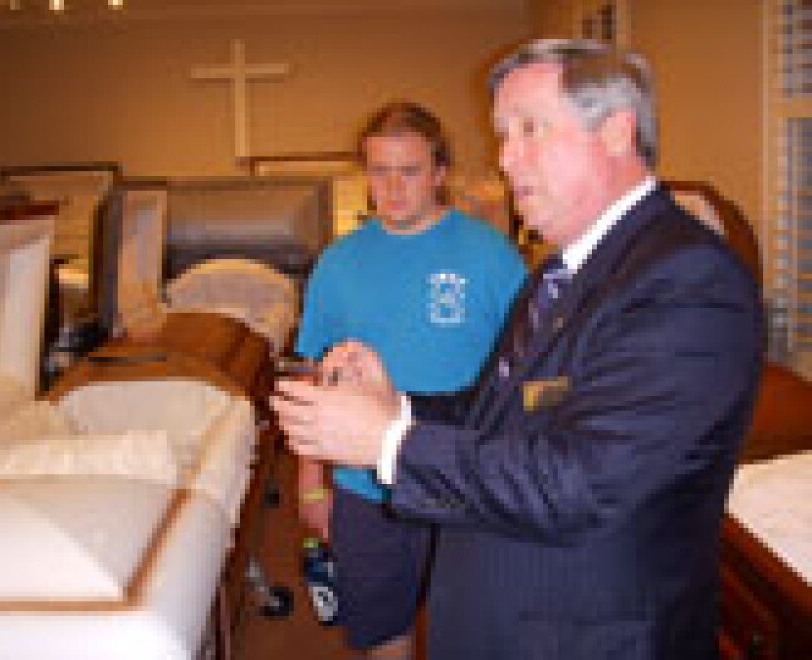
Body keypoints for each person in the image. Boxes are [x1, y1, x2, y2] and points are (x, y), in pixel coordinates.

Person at [272, 39, 763, 659]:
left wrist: (389, 442)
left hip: (580, 634)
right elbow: (498, 414)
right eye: (503, 136)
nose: (505, 158)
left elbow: (583, 482)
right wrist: (396, 405)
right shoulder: (562, 272)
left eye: (530, 130)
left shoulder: (686, 277)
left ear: (616, 132)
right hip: (512, 607)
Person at [293, 101, 526, 658]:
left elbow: (527, 373)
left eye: (410, 171)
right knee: (382, 632)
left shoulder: (491, 256)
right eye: (380, 172)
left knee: (472, 632)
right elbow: (315, 380)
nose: (393, 189)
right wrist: (311, 482)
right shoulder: (338, 264)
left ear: (440, 172)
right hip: (365, 488)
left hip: (463, 479)